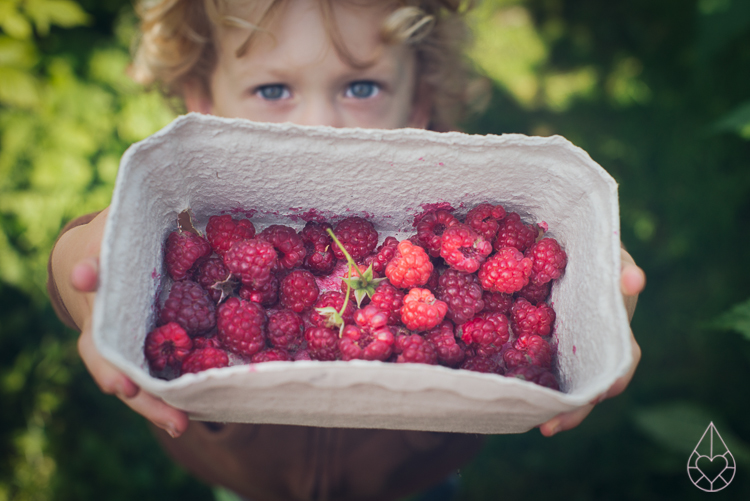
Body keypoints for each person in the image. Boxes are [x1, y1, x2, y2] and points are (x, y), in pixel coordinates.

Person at [47, 0, 646, 499]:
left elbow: (531, 258)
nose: (318, 123)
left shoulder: (453, 189)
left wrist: (595, 286)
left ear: (417, 103)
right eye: (273, 87)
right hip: (238, 458)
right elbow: (80, 258)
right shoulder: (202, 225)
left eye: (361, 86)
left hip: (414, 465)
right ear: (201, 103)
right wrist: (87, 272)